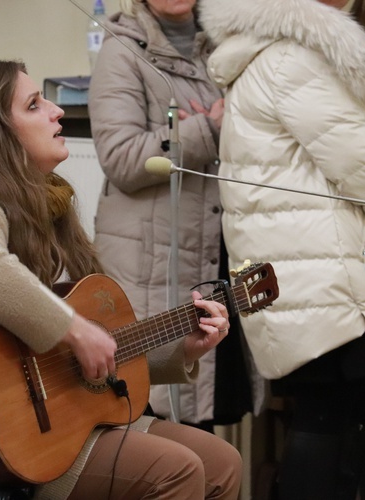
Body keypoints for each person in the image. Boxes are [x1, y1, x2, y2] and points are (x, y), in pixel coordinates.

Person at [0, 58, 242, 500]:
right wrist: (74, 330)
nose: (56, 112)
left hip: (57, 419)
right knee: (175, 471)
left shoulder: (45, 203)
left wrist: (181, 348)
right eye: (34, 105)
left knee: (222, 463)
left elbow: (77, 357)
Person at [199, 0, 365, 498]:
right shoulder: (296, 57)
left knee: (326, 421)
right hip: (335, 282)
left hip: (314, 277)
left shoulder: (276, 50)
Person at [88, 0, 263, 430]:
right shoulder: (122, 47)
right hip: (152, 265)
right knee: (155, 421)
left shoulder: (224, 45)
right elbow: (123, 158)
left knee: (207, 419)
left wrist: (188, 132)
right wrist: (208, 128)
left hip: (213, 251)